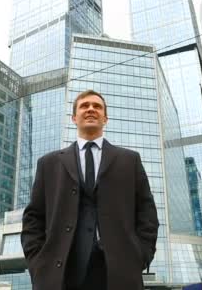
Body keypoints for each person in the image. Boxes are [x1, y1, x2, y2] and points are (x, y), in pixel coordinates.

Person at [21, 90, 159, 290]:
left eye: (97, 106)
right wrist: (38, 263)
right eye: (84, 106)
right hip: (62, 273)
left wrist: (140, 256)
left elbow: (147, 214)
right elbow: (33, 218)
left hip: (118, 273)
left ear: (105, 118)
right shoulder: (48, 164)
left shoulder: (130, 160)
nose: (91, 109)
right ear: (74, 118)